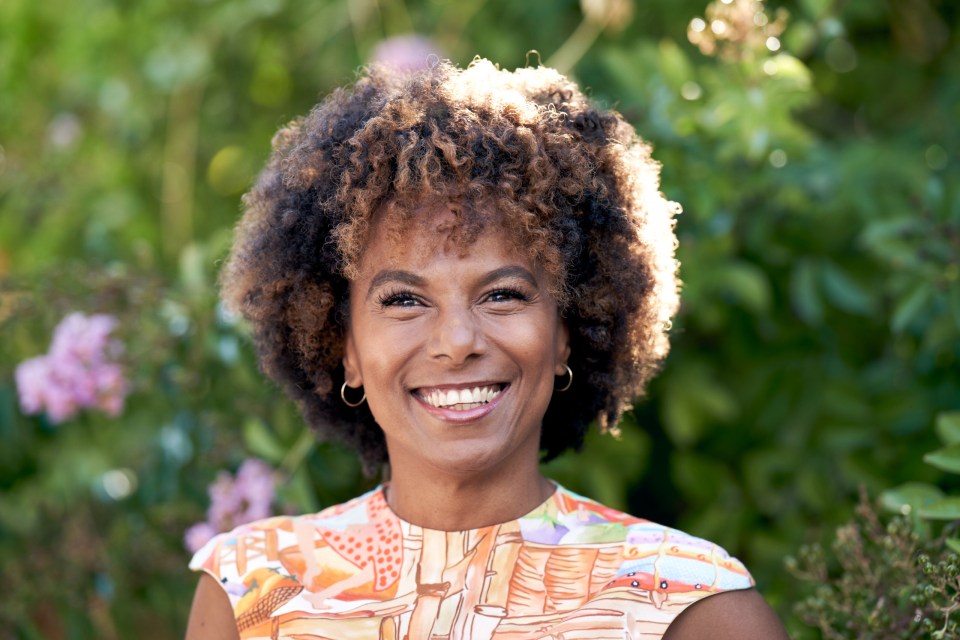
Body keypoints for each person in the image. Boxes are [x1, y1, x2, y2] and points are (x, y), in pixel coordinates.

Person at [185, 58, 787, 639]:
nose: (456, 343)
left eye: (501, 295)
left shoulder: (687, 604)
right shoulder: (251, 591)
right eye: (403, 300)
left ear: (567, 333)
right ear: (342, 346)